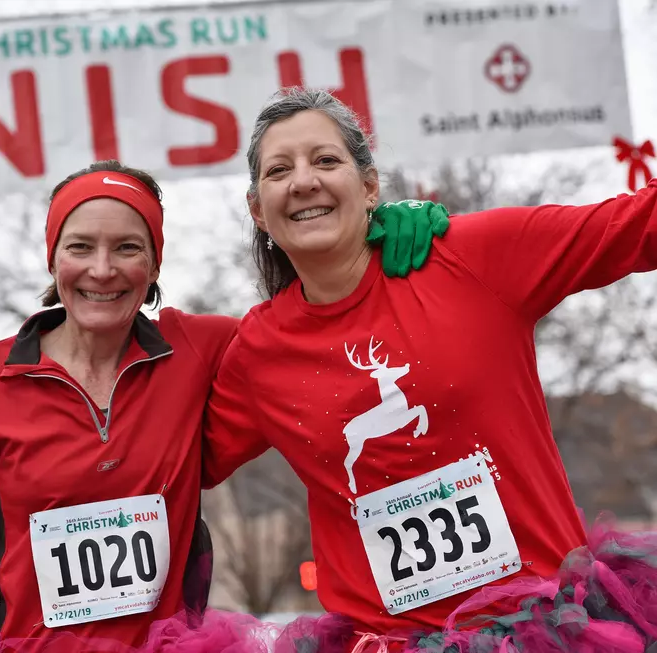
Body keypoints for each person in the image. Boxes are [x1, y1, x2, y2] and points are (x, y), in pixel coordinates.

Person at [202, 86, 657, 652]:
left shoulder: (472, 256)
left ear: (369, 186)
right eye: (279, 170)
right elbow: (159, 463)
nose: (303, 181)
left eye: (325, 160)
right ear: (257, 208)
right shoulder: (255, 353)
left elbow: (639, 224)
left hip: (547, 630)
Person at [0, 159, 448, 653]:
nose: (102, 269)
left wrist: (374, 236)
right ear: (53, 257)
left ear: (154, 261)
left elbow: (313, 327)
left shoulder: (202, 348)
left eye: (128, 248)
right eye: (81, 247)